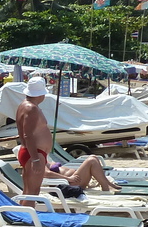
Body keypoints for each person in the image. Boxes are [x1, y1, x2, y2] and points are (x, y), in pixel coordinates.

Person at [15, 77, 52, 206]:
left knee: (28, 191)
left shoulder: (24, 105)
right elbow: (28, 135)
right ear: (40, 94)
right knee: (33, 192)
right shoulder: (31, 109)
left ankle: (22, 216)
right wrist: (36, 159)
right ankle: (27, 220)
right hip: (34, 153)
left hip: (32, 152)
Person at [47, 155, 118, 191]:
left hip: (73, 179)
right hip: (69, 184)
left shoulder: (44, 158)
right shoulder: (38, 161)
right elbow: (47, 174)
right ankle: (105, 187)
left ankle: (107, 183)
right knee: (91, 161)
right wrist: (68, 178)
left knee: (93, 157)